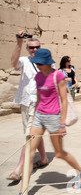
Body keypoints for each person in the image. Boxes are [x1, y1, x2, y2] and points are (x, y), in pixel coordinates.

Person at [16, 48, 81, 195]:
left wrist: (62, 124)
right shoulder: (38, 76)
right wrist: (34, 116)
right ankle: (23, 193)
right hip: (39, 116)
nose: (38, 66)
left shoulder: (58, 75)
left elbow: (64, 100)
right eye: (37, 63)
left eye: (40, 63)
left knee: (59, 153)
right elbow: (38, 97)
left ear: (47, 62)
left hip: (54, 117)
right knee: (29, 154)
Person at [7, 31, 48, 182]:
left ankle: (18, 169)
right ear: (27, 49)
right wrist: (18, 43)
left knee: (29, 134)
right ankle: (43, 158)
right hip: (25, 101)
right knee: (32, 131)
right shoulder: (24, 60)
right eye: (31, 48)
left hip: (39, 103)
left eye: (37, 47)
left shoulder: (47, 62)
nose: (34, 50)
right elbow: (13, 63)